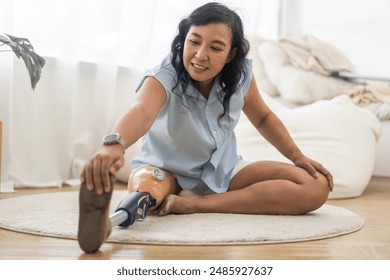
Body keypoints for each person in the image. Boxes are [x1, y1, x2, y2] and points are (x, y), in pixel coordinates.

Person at [78, 2, 333, 253]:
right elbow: (142, 111)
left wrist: (297, 157)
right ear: (184, 39)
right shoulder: (165, 72)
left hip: (225, 170)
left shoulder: (242, 74)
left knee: (315, 186)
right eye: (194, 41)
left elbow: (263, 118)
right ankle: (110, 222)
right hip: (166, 170)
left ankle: (198, 204)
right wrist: (114, 144)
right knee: (148, 186)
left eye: (215, 47)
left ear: (231, 54)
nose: (200, 55)